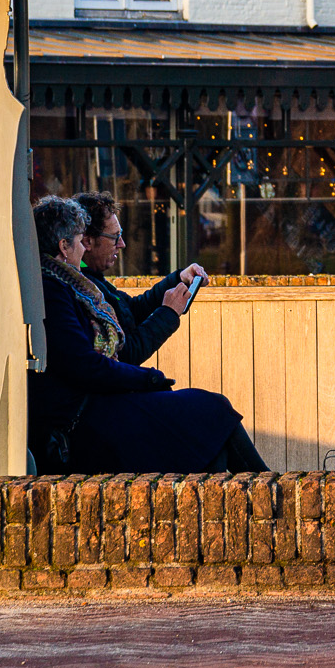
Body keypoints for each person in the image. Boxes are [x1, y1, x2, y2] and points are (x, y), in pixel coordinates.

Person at [26, 195, 266, 474]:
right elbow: (94, 362)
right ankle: (271, 488)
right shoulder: (55, 290)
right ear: (64, 246)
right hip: (87, 422)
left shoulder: (73, 284)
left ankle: (263, 488)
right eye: (80, 241)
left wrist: (175, 281)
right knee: (211, 411)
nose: (121, 244)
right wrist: (151, 375)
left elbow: (128, 311)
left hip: (98, 407)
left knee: (210, 433)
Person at [71, 192, 206, 368]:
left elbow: (132, 310)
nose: (122, 244)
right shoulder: (83, 290)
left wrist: (178, 279)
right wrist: (168, 312)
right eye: (115, 237)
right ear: (88, 242)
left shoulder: (93, 279)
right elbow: (126, 354)